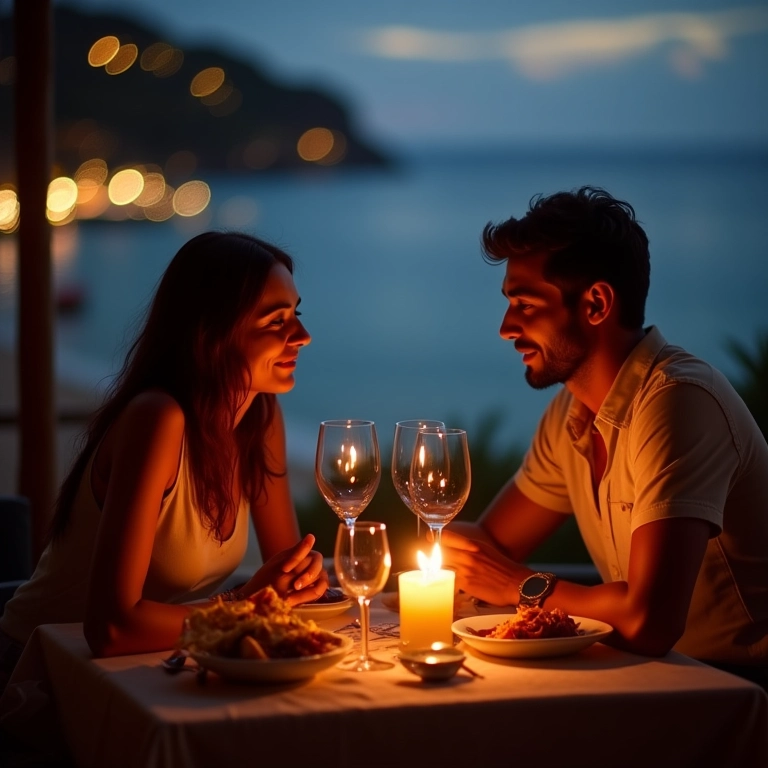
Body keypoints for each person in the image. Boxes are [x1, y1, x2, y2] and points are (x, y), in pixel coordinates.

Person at [441, 186, 768, 686]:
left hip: (740, 686)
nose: (506, 327)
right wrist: (426, 554)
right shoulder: (571, 414)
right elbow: (490, 545)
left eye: (525, 304)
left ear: (595, 303)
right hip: (652, 676)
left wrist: (518, 586)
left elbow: (649, 621)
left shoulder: (678, 402)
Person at [0, 231, 328, 690]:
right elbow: (112, 628)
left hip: (146, 664)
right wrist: (243, 603)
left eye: (296, 315)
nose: (303, 337)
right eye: (277, 321)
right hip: (39, 670)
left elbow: (286, 573)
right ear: (213, 332)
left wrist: (301, 583)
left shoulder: (260, 419)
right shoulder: (158, 420)